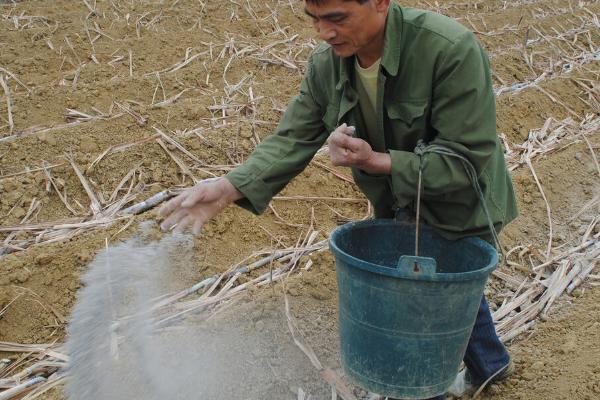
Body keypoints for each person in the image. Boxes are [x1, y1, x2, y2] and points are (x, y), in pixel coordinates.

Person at [159, 0, 518, 398]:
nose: (323, 33)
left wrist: (376, 161)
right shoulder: (328, 64)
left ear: (380, 3)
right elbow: (293, 137)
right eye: (315, 20)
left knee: (425, 304)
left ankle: (421, 387)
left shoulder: (448, 49)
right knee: (439, 286)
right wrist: (228, 187)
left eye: (337, 18)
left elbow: (464, 159)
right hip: (400, 203)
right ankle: (491, 365)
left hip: (458, 202)